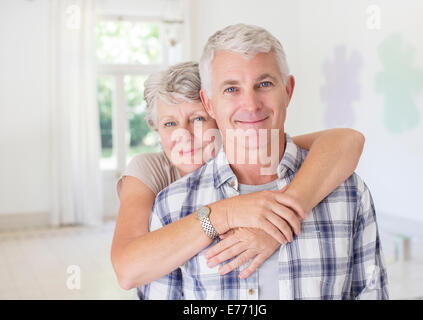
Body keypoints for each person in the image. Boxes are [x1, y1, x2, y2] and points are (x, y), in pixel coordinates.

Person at [140, 24, 388, 300]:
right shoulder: (172, 206)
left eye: (264, 84)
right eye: (232, 89)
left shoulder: (349, 192)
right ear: (209, 103)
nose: (251, 104)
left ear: (288, 90)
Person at [111, 61, 365, 292]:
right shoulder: (152, 170)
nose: (183, 136)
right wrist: (223, 214)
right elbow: (127, 270)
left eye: (198, 119)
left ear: (220, 117)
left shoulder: (254, 156)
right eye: (169, 124)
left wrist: (275, 226)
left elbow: (346, 140)